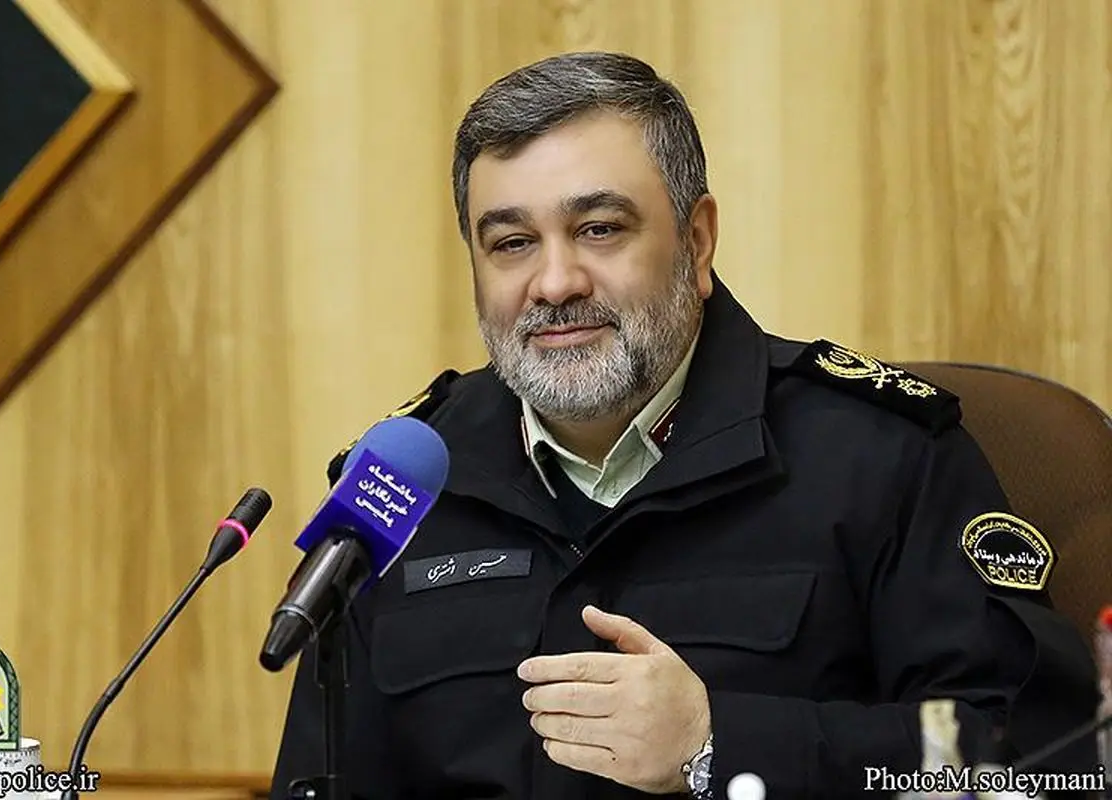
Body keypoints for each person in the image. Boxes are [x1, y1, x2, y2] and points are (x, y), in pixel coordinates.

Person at [269, 52, 1099, 799]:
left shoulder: (883, 458)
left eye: (599, 229)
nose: (554, 282)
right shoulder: (405, 486)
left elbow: (1039, 764)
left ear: (697, 243)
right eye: (512, 243)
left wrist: (720, 744)